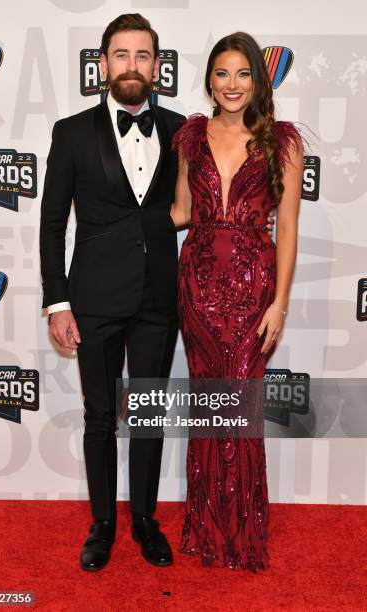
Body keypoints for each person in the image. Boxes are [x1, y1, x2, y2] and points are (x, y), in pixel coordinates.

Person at [40, 13, 186, 571]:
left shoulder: (181, 130)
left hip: (157, 299)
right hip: (94, 298)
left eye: (143, 56)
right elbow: (53, 224)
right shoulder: (71, 132)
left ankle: (145, 520)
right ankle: (101, 524)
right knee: (99, 417)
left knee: (147, 415)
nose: (132, 66)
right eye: (121, 55)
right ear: (103, 64)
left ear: (157, 66)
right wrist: (58, 302)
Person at [171, 32, 303, 571]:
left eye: (243, 74)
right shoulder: (190, 138)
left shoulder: (281, 142)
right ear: (209, 79)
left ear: (257, 81)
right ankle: (207, 527)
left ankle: (244, 531)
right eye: (223, 73)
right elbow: (180, 211)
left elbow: (289, 227)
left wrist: (281, 304)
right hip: (198, 285)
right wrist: (114, 221)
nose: (232, 84)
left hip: (255, 289)